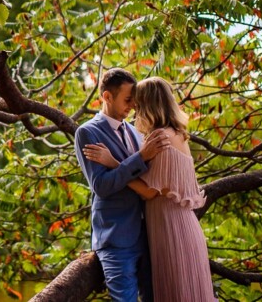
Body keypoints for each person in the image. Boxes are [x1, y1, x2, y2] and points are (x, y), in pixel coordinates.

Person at [83, 77, 216, 302]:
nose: (134, 108)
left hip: (169, 228)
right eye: (130, 101)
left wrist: (113, 162)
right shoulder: (178, 133)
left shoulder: (158, 137)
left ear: (149, 104)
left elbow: (148, 191)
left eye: (137, 103)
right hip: (176, 226)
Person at [74, 68, 170, 302]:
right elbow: (102, 186)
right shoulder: (87, 132)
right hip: (116, 239)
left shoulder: (136, 132)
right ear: (107, 97)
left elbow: (145, 177)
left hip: (148, 234)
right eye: (128, 100)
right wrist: (140, 158)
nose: (133, 106)